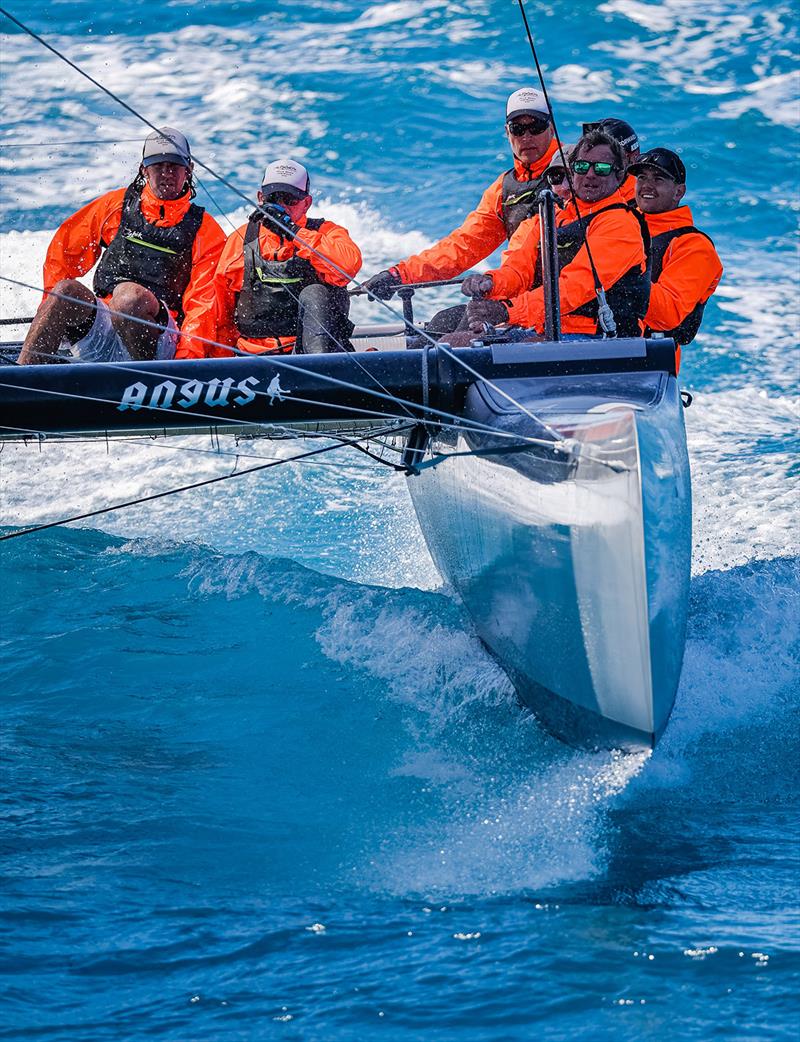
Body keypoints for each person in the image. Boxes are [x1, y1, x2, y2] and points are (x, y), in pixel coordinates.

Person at [19, 128, 226, 365]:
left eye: (174, 166)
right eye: (159, 166)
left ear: (188, 170)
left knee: (128, 297)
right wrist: (49, 316)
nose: (167, 173)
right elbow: (63, 253)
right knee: (65, 290)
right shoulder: (115, 206)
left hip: (161, 346)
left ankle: (143, 382)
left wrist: (187, 361)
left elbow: (204, 305)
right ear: (144, 170)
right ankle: (24, 375)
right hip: (102, 333)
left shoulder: (206, 231)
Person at [361, 88, 560, 332]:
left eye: (536, 126)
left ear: (551, 128)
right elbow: (463, 246)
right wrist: (400, 275)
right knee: (439, 325)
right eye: (518, 129)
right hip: (512, 298)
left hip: (557, 308)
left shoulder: (573, 176)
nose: (527, 136)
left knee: (461, 338)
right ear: (507, 133)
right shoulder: (504, 189)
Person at [461, 129, 650, 338]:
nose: (590, 174)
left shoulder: (619, 224)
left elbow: (574, 287)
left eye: (602, 168)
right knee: (448, 342)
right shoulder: (552, 217)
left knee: (460, 348)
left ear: (619, 175)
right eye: (581, 166)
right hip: (546, 328)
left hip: (595, 337)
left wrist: (508, 311)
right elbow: (518, 272)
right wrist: (491, 283)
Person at [213, 159, 362, 355]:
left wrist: (293, 232)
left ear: (306, 203)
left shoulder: (327, 233)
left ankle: (318, 376)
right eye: (274, 198)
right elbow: (220, 314)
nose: (281, 206)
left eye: (290, 199)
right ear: (260, 198)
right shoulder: (240, 239)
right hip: (255, 357)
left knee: (315, 292)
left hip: (314, 357)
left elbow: (347, 267)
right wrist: (221, 362)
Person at [629, 147, 722, 364]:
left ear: (679, 192)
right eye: (642, 177)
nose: (647, 186)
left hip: (650, 362)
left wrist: (619, 279)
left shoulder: (695, 246)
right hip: (598, 345)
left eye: (658, 179)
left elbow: (667, 314)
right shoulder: (621, 225)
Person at [583, 118, 640, 201]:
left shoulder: (639, 204)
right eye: (585, 160)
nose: (590, 173)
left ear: (632, 158)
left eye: (603, 163)